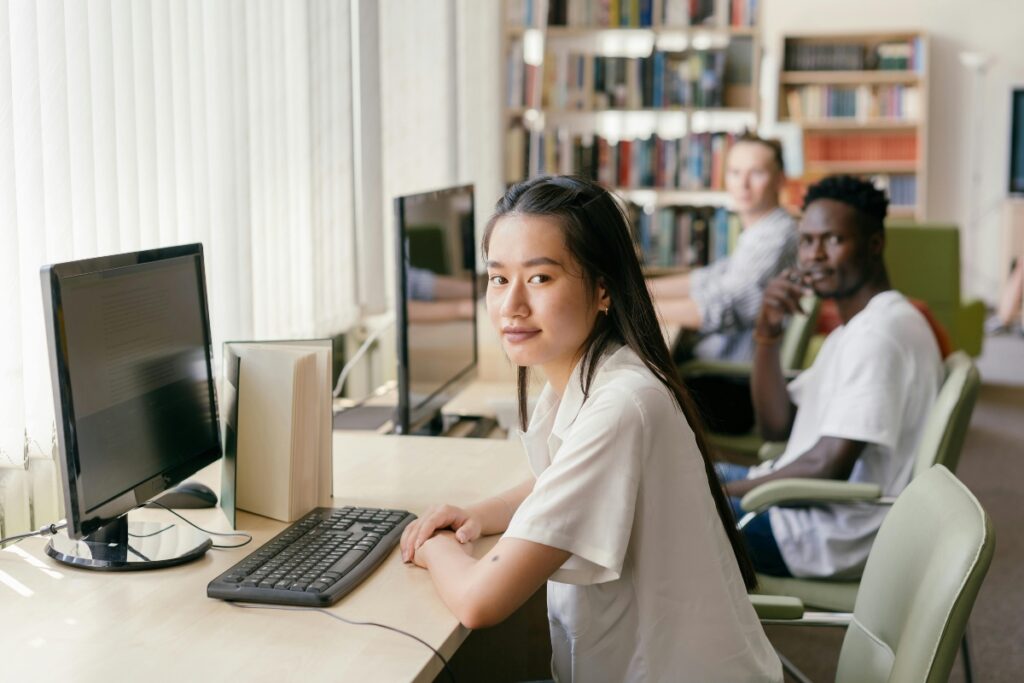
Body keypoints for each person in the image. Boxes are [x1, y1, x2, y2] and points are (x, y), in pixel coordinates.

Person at [400, 176, 781, 682]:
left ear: (603, 290)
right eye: (498, 278)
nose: (511, 304)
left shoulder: (623, 404)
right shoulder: (595, 375)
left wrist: (430, 544)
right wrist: (477, 515)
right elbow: (564, 480)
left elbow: (478, 602)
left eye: (539, 278)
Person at [717, 175, 944, 579]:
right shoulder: (854, 328)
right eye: (806, 241)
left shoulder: (879, 334)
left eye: (832, 240)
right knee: (670, 475)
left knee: (658, 510)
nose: (813, 256)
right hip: (805, 509)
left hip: (825, 533)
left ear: (875, 245)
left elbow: (828, 465)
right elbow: (776, 427)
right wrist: (767, 333)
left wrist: (721, 496)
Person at [648, 132, 798, 363]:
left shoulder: (776, 237)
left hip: (734, 372)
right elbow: (710, 278)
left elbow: (722, 307)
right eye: (735, 172)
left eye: (756, 173)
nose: (743, 184)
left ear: (780, 180)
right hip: (721, 357)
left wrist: (632, 308)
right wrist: (639, 289)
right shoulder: (760, 231)